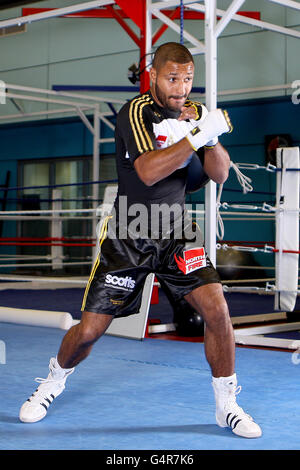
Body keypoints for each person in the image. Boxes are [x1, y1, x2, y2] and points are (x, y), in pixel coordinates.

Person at [19, 42, 261, 439]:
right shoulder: (136, 112)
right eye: (172, 78)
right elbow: (148, 172)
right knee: (91, 330)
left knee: (217, 310)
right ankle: (52, 382)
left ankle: (227, 404)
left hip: (178, 231)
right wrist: (192, 137)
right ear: (154, 76)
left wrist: (211, 136)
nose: (180, 87)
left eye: (187, 79)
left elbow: (218, 174)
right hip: (130, 233)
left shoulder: (195, 113)